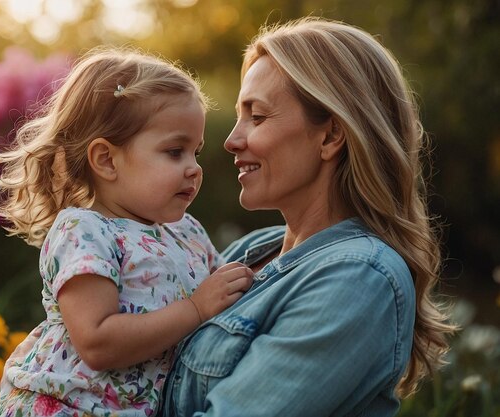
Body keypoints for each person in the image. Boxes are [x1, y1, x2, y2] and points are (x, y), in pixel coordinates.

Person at [160, 17, 456, 417]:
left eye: (257, 117)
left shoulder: (359, 278)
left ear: (331, 136)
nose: (231, 140)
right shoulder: (250, 251)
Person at [0, 47, 253, 417]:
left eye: (196, 152)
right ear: (106, 160)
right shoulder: (84, 231)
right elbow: (97, 342)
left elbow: (228, 294)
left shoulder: (187, 231)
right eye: (175, 151)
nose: (194, 168)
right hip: (65, 407)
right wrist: (195, 308)